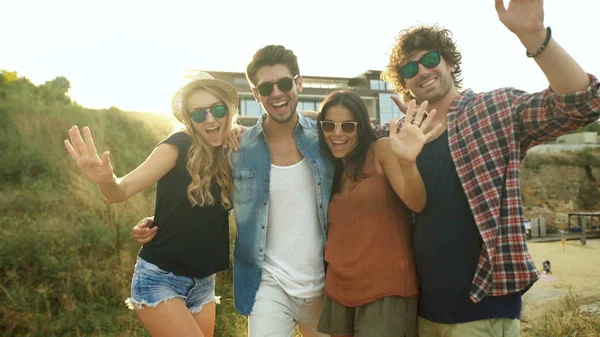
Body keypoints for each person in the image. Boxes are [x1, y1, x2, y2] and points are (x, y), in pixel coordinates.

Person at [374, 1, 600, 336]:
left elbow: (583, 103)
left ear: (450, 62)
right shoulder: (394, 136)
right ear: (404, 83)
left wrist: (534, 36)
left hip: (485, 305)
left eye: (431, 59)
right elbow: (340, 140)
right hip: (421, 308)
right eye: (409, 69)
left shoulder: (494, 109)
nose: (422, 71)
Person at [64, 72, 241, 337]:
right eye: (199, 114)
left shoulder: (232, 150)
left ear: (228, 111)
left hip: (204, 283)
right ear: (189, 120)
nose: (211, 119)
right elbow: (119, 191)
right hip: (161, 278)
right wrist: (105, 179)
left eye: (217, 109)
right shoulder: (178, 145)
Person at [315, 91, 442, 337]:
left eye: (348, 126)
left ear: (361, 128)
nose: (337, 133)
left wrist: (408, 163)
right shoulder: (330, 169)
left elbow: (416, 202)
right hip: (339, 288)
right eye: (329, 125)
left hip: (385, 290)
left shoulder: (380, 151)